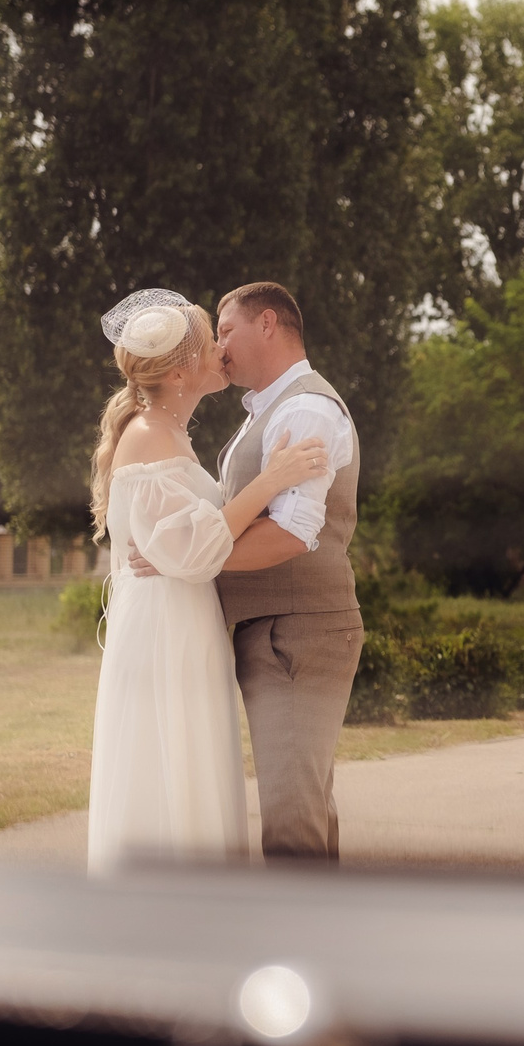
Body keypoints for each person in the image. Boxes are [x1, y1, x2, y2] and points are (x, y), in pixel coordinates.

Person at [86, 291, 327, 873]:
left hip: (186, 618)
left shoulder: (170, 431)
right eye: (208, 340)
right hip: (164, 629)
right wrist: (272, 480)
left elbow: (185, 547)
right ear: (178, 371)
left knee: (191, 761)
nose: (222, 349)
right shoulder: (148, 434)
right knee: (168, 764)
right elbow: (193, 548)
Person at [128, 279, 361, 860]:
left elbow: (291, 533)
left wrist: (186, 560)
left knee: (290, 816)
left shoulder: (305, 408)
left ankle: (297, 943)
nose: (219, 346)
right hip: (278, 628)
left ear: (268, 325)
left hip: (298, 632)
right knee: (303, 806)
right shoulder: (271, 410)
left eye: (225, 330)